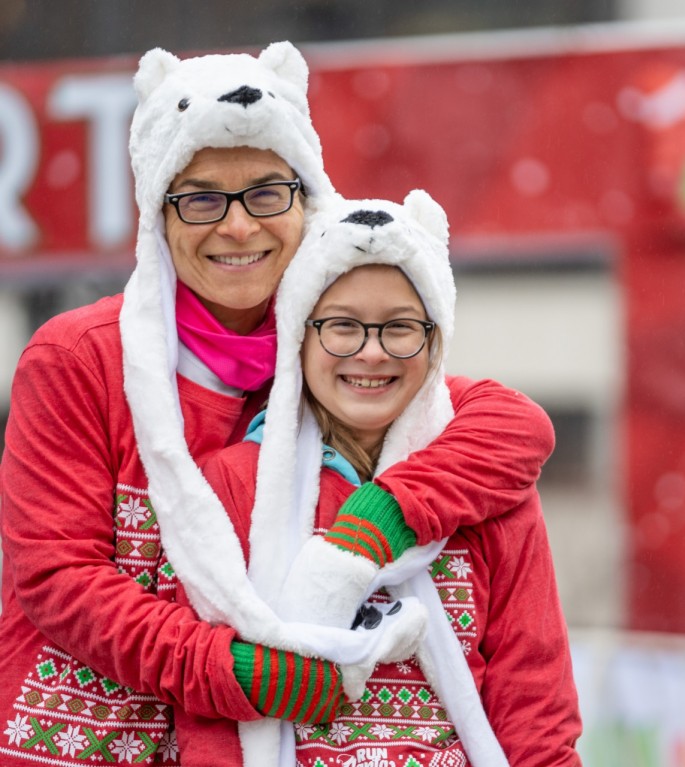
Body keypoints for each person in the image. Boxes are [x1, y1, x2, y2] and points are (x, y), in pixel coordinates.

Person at [0, 43, 555, 767]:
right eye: (200, 197)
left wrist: (381, 517)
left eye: (265, 192)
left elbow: (508, 424)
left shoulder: (334, 355)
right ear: (156, 213)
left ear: (307, 197)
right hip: (93, 742)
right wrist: (235, 671)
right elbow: (57, 578)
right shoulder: (80, 357)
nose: (237, 227)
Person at [185, 190, 582, 767]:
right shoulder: (232, 486)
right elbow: (209, 715)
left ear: (435, 340)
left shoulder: (489, 490)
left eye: (400, 328)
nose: (371, 354)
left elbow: (535, 704)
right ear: (298, 335)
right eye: (342, 327)